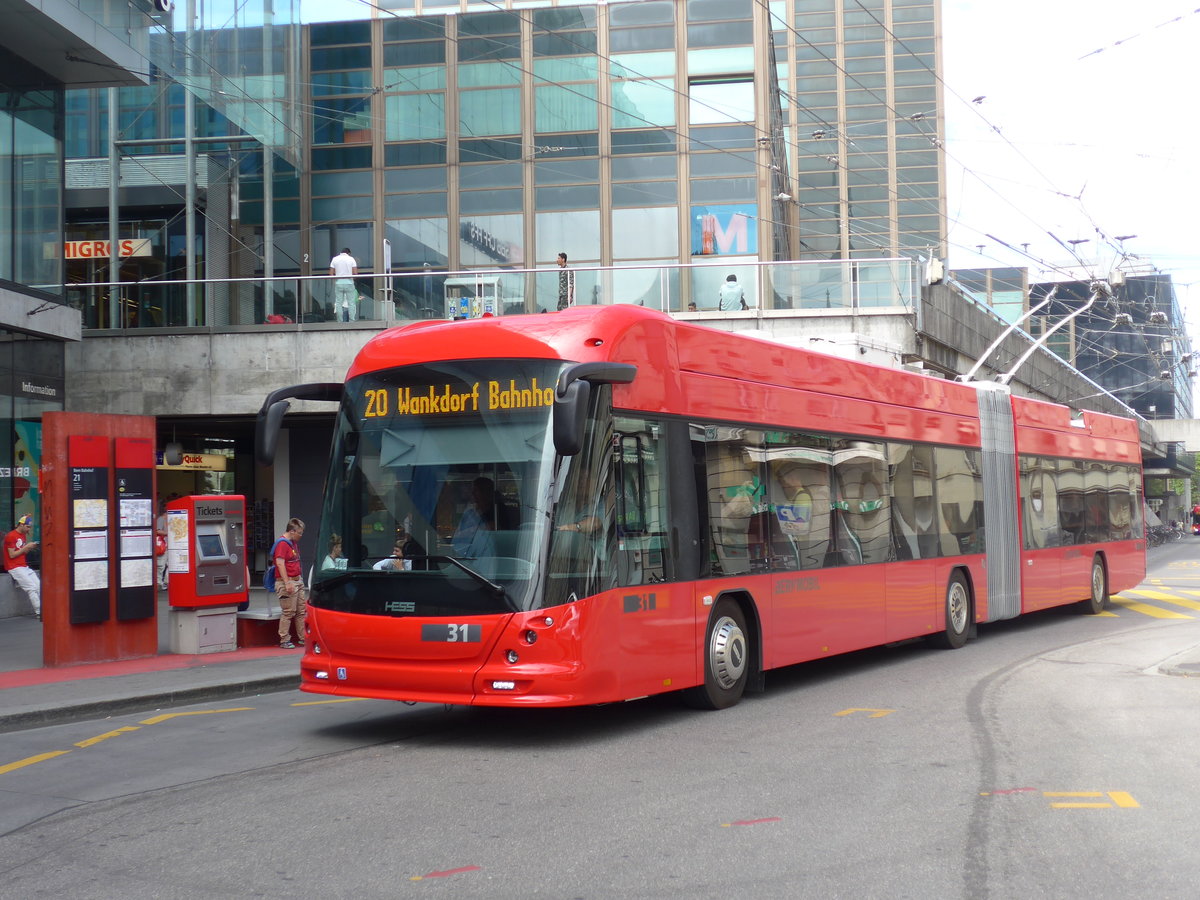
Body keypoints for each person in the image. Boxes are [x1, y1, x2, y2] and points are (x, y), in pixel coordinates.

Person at [272, 518, 307, 649]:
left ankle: (303, 637)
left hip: (297, 580)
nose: (301, 536)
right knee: (288, 611)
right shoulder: (282, 544)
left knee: (300, 611)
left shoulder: (292, 543)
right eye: (300, 533)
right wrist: (287, 583)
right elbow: (280, 563)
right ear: (292, 531)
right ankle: (284, 639)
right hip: (288, 581)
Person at [4, 515, 41, 620]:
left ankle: (43, 610)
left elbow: (22, 552)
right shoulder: (11, 536)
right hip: (14, 567)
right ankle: (39, 612)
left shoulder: (23, 535)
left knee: (39, 586)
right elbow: (12, 555)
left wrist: (29, 548)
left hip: (23, 566)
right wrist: (26, 547)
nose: (29, 529)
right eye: (27, 527)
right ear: (21, 525)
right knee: (32, 588)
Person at [329, 247, 358, 322]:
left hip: (339, 283)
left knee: (339, 303)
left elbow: (331, 273)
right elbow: (355, 273)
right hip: (349, 283)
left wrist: (335, 281)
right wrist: (352, 279)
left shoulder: (335, 259)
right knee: (351, 303)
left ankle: (340, 321)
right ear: (349, 253)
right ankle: (351, 321)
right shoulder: (351, 259)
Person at [155, 499, 169, 590]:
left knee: (167, 565)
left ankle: (165, 582)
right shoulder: (161, 519)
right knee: (161, 565)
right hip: (163, 546)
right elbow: (157, 531)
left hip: (167, 545)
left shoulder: (166, 519)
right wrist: (169, 533)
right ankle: (159, 583)